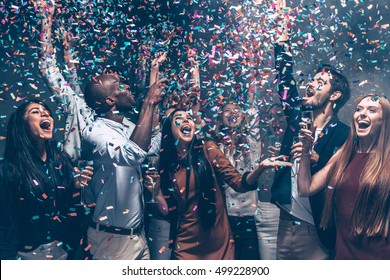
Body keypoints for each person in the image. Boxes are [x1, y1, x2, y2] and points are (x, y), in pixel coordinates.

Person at [144, 109, 292, 260]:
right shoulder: (167, 165)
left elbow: (238, 183)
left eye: (189, 118)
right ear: (170, 129)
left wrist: (260, 167)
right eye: (179, 118)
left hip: (219, 244)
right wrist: (156, 194)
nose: (186, 120)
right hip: (185, 246)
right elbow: (168, 211)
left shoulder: (208, 149)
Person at [271, 0, 351, 259]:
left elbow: (344, 180)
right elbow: (285, 82)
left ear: (335, 95)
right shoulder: (297, 121)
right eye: (312, 80)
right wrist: (282, 41)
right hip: (284, 225)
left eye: (321, 82)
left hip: (316, 230)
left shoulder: (343, 133)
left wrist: (318, 160)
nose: (312, 84)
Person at [81, 69, 167, 259]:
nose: (127, 87)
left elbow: (152, 145)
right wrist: (148, 102)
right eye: (120, 85)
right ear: (110, 100)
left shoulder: (128, 127)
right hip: (112, 240)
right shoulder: (95, 132)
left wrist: (154, 84)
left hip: (138, 235)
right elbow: (133, 154)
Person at [297, 94, 390, 259]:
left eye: (372, 110)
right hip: (344, 256)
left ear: (384, 121)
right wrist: (305, 151)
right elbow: (305, 188)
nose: (361, 113)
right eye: (358, 109)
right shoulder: (344, 155)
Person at [0, 100, 93, 260]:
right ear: (22, 124)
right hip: (26, 256)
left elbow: (66, 207)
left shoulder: (61, 161)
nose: (45, 113)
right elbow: (5, 222)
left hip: (62, 253)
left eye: (47, 112)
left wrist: (75, 186)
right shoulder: (8, 169)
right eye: (35, 111)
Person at [215, 100, 261, 259]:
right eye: (227, 110)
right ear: (220, 117)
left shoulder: (251, 143)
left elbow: (255, 116)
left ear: (243, 116)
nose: (232, 113)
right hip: (224, 219)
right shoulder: (215, 147)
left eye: (236, 110)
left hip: (250, 218)